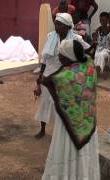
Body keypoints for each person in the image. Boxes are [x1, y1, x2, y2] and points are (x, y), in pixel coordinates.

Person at [41, 39, 100, 179]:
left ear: (69, 56)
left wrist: (41, 80)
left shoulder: (67, 75)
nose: (59, 57)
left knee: (67, 152)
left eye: (61, 54)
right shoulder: (88, 66)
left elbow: (49, 80)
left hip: (69, 126)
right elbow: (88, 53)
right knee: (84, 157)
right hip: (88, 121)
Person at [34, 13, 90, 139]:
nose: (56, 26)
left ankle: (60, 133)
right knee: (45, 104)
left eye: (59, 24)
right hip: (48, 75)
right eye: (56, 23)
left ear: (67, 26)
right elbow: (45, 59)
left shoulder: (76, 39)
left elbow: (87, 50)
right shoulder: (50, 36)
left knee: (62, 105)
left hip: (65, 77)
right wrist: (40, 76)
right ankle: (42, 129)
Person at [92, 12, 110, 77]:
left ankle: (98, 71)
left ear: (108, 20)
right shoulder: (98, 30)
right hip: (98, 48)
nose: (102, 22)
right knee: (95, 54)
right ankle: (94, 71)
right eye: (101, 20)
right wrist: (94, 41)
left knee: (101, 55)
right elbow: (93, 42)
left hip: (107, 50)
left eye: (104, 20)